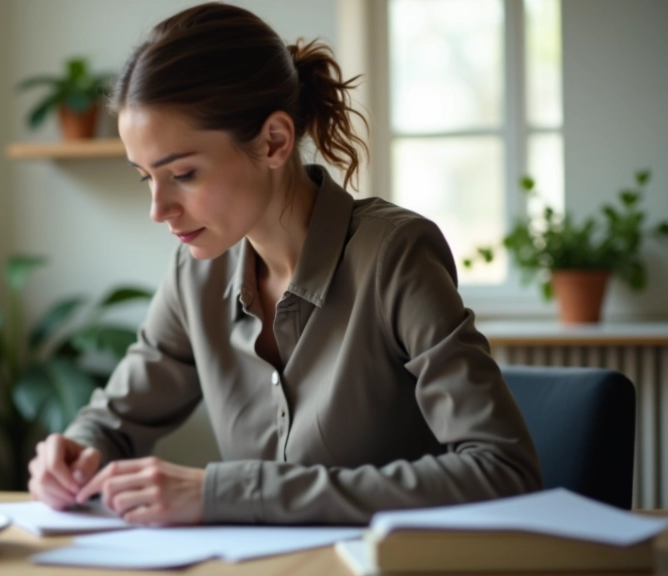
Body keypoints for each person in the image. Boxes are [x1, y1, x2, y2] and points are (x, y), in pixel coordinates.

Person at [27, 2, 543, 526]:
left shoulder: (394, 255)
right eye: (145, 177)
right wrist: (73, 451)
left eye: (182, 173)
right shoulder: (196, 273)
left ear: (274, 141)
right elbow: (115, 420)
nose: (158, 210)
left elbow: (503, 470)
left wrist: (230, 492)